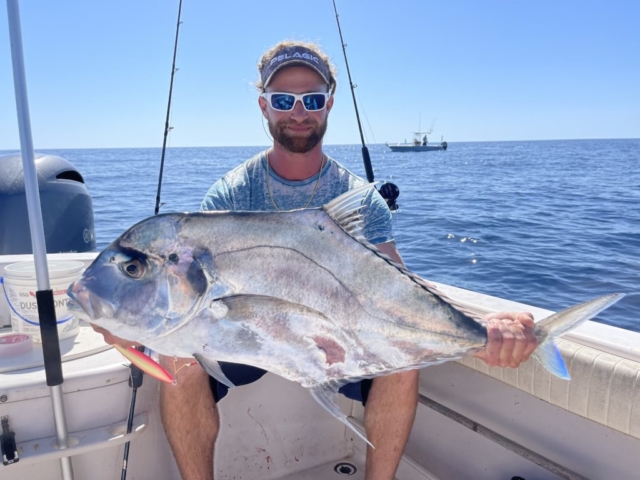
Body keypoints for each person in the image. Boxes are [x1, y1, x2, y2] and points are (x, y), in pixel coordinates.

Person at [94, 40, 538, 480]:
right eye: (284, 100)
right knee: (181, 363)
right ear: (265, 106)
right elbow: (187, 290)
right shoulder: (231, 193)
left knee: (402, 367)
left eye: (312, 99)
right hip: (249, 340)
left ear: (329, 104)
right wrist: (128, 319)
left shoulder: (361, 201)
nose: (299, 112)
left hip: (338, 338)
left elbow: (397, 284)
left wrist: (484, 326)